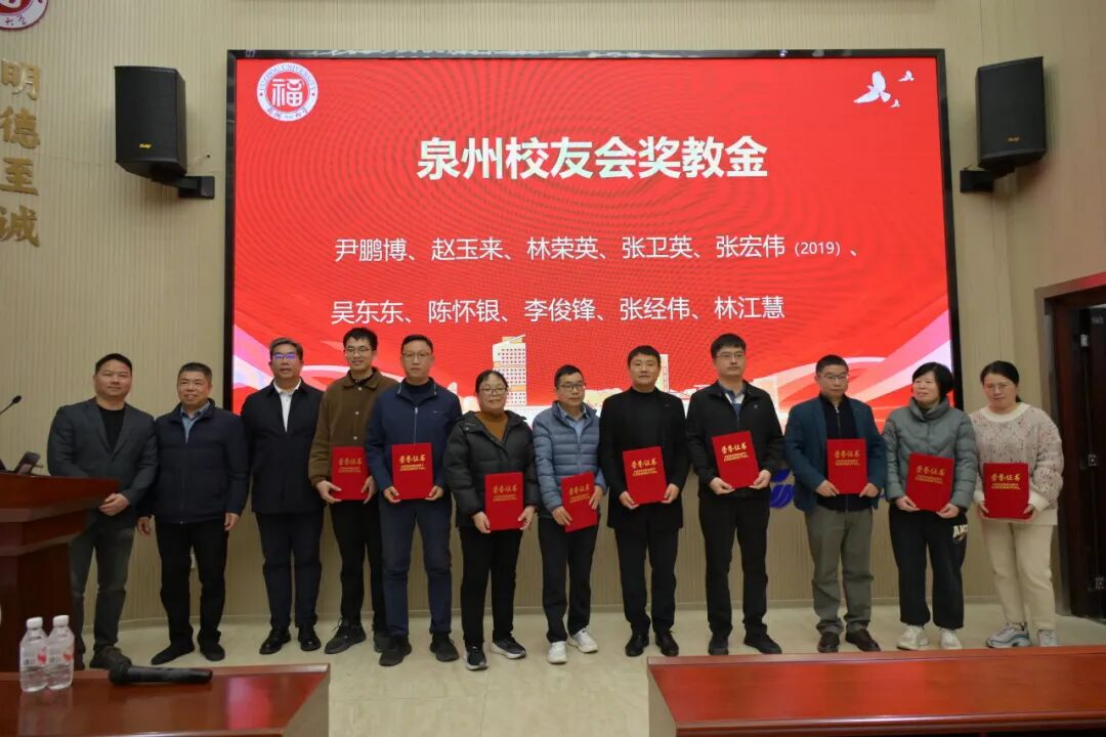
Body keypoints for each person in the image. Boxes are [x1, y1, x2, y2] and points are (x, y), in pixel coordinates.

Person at [46, 353, 157, 670]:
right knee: (72, 588)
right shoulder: (69, 415)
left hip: (121, 515)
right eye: (108, 374)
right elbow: (59, 462)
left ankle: (105, 647)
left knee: (113, 586)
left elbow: (149, 465)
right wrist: (96, 495)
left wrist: (128, 498)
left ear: (131, 381)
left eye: (123, 375)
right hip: (76, 514)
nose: (115, 380)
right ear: (95, 378)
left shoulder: (143, 421)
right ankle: (72, 651)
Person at [139, 362, 248, 664]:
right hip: (169, 516)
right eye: (184, 382)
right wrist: (144, 510)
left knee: (212, 580)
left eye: (197, 383)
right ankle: (180, 640)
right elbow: (150, 470)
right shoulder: (161, 425)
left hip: (211, 515)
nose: (190, 388)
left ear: (209, 387)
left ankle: (209, 638)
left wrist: (234, 507)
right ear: (177, 386)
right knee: (172, 583)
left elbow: (239, 471)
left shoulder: (229, 423)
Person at [366, 334, 462, 667]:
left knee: (439, 565)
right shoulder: (386, 401)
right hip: (395, 499)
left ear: (432, 359)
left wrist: (442, 482)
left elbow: (455, 449)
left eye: (422, 355)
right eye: (410, 355)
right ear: (401, 359)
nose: (416, 360)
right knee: (394, 567)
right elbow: (373, 446)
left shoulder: (448, 401)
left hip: (434, 497)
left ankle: (441, 635)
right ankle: (398, 638)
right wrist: (384, 483)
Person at [686, 334, 785, 656]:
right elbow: (693, 442)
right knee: (718, 566)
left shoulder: (761, 399)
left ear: (745, 358)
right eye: (726, 355)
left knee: (755, 566)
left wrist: (768, 470)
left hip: (755, 495)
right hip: (717, 496)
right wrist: (709, 477)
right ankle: (720, 631)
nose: (733, 360)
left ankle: (756, 630)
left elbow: (776, 441)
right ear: (714, 361)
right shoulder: (702, 400)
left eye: (738, 354)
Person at [784, 354, 886, 653]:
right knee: (825, 570)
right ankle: (829, 627)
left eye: (842, 376)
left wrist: (875, 480)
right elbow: (792, 451)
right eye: (830, 376)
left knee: (859, 570)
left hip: (860, 503)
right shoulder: (802, 413)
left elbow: (877, 449)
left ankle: (858, 626)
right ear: (817, 378)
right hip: (823, 504)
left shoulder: (862, 411)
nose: (837, 382)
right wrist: (816, 481)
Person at [307, 327, 397, 655]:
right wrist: (319, 478)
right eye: (351, 349)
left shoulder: (391, 390)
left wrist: (380, 476)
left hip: (380, 494)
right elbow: (322, 439)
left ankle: (383, 626)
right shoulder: (332, 392)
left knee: (381, 561)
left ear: (374, 353)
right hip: (342, 494)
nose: (356, 354)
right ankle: (350, 625)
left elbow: (398, 441)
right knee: (350, 562)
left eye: (363, 349)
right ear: (344, 352)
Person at [445, 370, 539, 671]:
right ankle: (473, 644)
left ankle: (503, 636)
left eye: (500, 388)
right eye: (488, 389)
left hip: (511, 518)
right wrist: (474, 510)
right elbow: (456, 472)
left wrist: (531, 505)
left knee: (505, 578)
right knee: (474, 580)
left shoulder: (521, 428)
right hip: (477, 520)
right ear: (477, 394)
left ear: (507, 393)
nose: (494, 394)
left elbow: (531, 470)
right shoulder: (464, 428)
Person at [599, 345, 689, 658]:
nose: (644, 369)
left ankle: (664, 629)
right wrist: (619, 489)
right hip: (628, 504)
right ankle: (638, 629)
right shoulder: (613, 405)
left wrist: (676, 483)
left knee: (664, 572)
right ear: (629, 368)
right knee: (632, 573)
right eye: (638, 364)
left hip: (666, 502)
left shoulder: (673, 404)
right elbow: (607, 452)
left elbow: (682, 450)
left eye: (650, 364)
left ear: (658, 370)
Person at [884, 362, 978, 651]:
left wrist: (959, 501)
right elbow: (888, 460)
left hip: (947, 510)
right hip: (906, 508)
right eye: (918, 381)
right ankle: (914, 627)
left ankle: (949, 628)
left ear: (943, 387)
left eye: (928, 382)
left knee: (948, 569)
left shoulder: (959, 420)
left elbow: (967, 462)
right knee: (909, 568)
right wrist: (896, 495)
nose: (921, 386)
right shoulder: (897, 418)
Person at [241, 338, 325, 655]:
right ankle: (278, 627)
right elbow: (245, 452)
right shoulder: (254, 403)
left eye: (291, 356)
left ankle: (306, 625)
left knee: (308, 562)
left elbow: (326, 447)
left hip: (308, 496)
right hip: (268, 497)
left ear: (301, 362)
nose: (285, 361)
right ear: (270, 363)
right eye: (278, 356)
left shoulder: (319, 400)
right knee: (274, 563)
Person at [971, 360, 1064, 647]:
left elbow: (1051, 460)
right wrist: (979, 496)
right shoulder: (973, 422)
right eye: (990, 386)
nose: (997, 391)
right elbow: (968, 462)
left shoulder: (1038, 419)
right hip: (993, 508)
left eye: (1003, 385)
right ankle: (1015, 626)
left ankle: (1045, 628)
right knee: (1002, 569)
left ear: (1016, 386)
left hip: (1035, 508)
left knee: (1036, 571)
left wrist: (1036, 500)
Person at [532, 364, 604, 664]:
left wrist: (601, 485)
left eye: (579, 384)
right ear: (556, 390)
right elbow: (542, 464)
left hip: (587, 508)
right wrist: (553, 504)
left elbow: (605, 459)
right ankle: (556, 636)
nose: (574, 390)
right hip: (555, 514)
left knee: (582, 572)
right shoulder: (543, 421)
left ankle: (578, 627)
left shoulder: (596, 421)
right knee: (554, 575)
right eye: (567, 385)